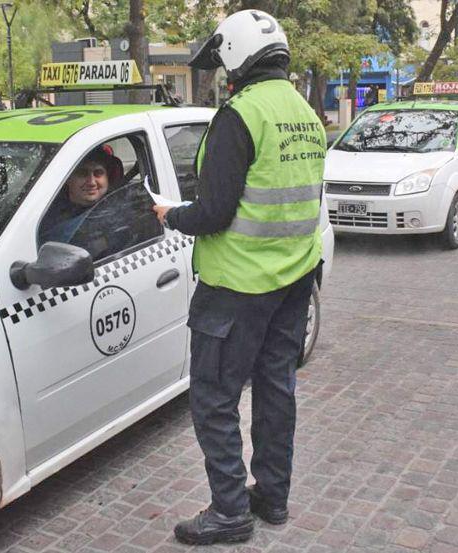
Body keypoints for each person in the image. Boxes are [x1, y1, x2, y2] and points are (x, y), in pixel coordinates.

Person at [152, 9, 325, 546]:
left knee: (213, 398)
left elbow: (213, 214)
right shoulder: (306, 114)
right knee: (276, 390)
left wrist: (169, 215)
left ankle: (229, 511)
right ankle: (271, 497)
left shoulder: (239, 116)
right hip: (293, 280)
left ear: (235, 56)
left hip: (236, 288)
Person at [39, 147, 118, 244]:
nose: (92, 182)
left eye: (98, 173)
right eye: (82, 174)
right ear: (67, 179)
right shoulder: (46, 218)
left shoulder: (121, 207)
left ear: (107, 178)